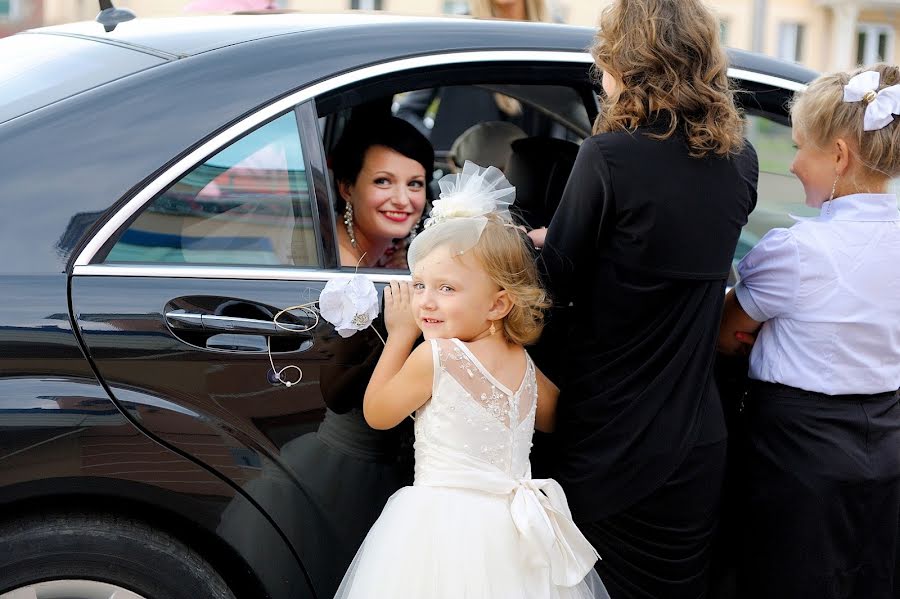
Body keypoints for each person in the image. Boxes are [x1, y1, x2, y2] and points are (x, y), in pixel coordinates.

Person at [527, 0, 759, 596]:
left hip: (610, 428)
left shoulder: (608, 156)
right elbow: (671, 259)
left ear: (627, 62)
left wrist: (536, 242)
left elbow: (553, 286)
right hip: (696, 436)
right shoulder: (742, 162)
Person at [333, 163, 609, 599]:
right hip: (514, 535)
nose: (425, 301)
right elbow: (555, 418)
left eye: (447, 289)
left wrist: (401, 335)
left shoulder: (436, 355)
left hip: (440, 528)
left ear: (498, 304)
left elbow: (379, 413)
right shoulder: (522, 363)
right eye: (419, 284)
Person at [718, 64, 900, 599]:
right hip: (888, 443)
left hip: (798, 456)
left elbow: (727, 334)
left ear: (840, 156)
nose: (793, 165)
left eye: (801, 149)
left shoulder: (797, 252)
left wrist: (759, 333)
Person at [330, 116, 434, 269]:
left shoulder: (376, 259)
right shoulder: (344, 277)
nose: (402, 200)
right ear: (347, 189)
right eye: (383, 181)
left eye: (414, 184)